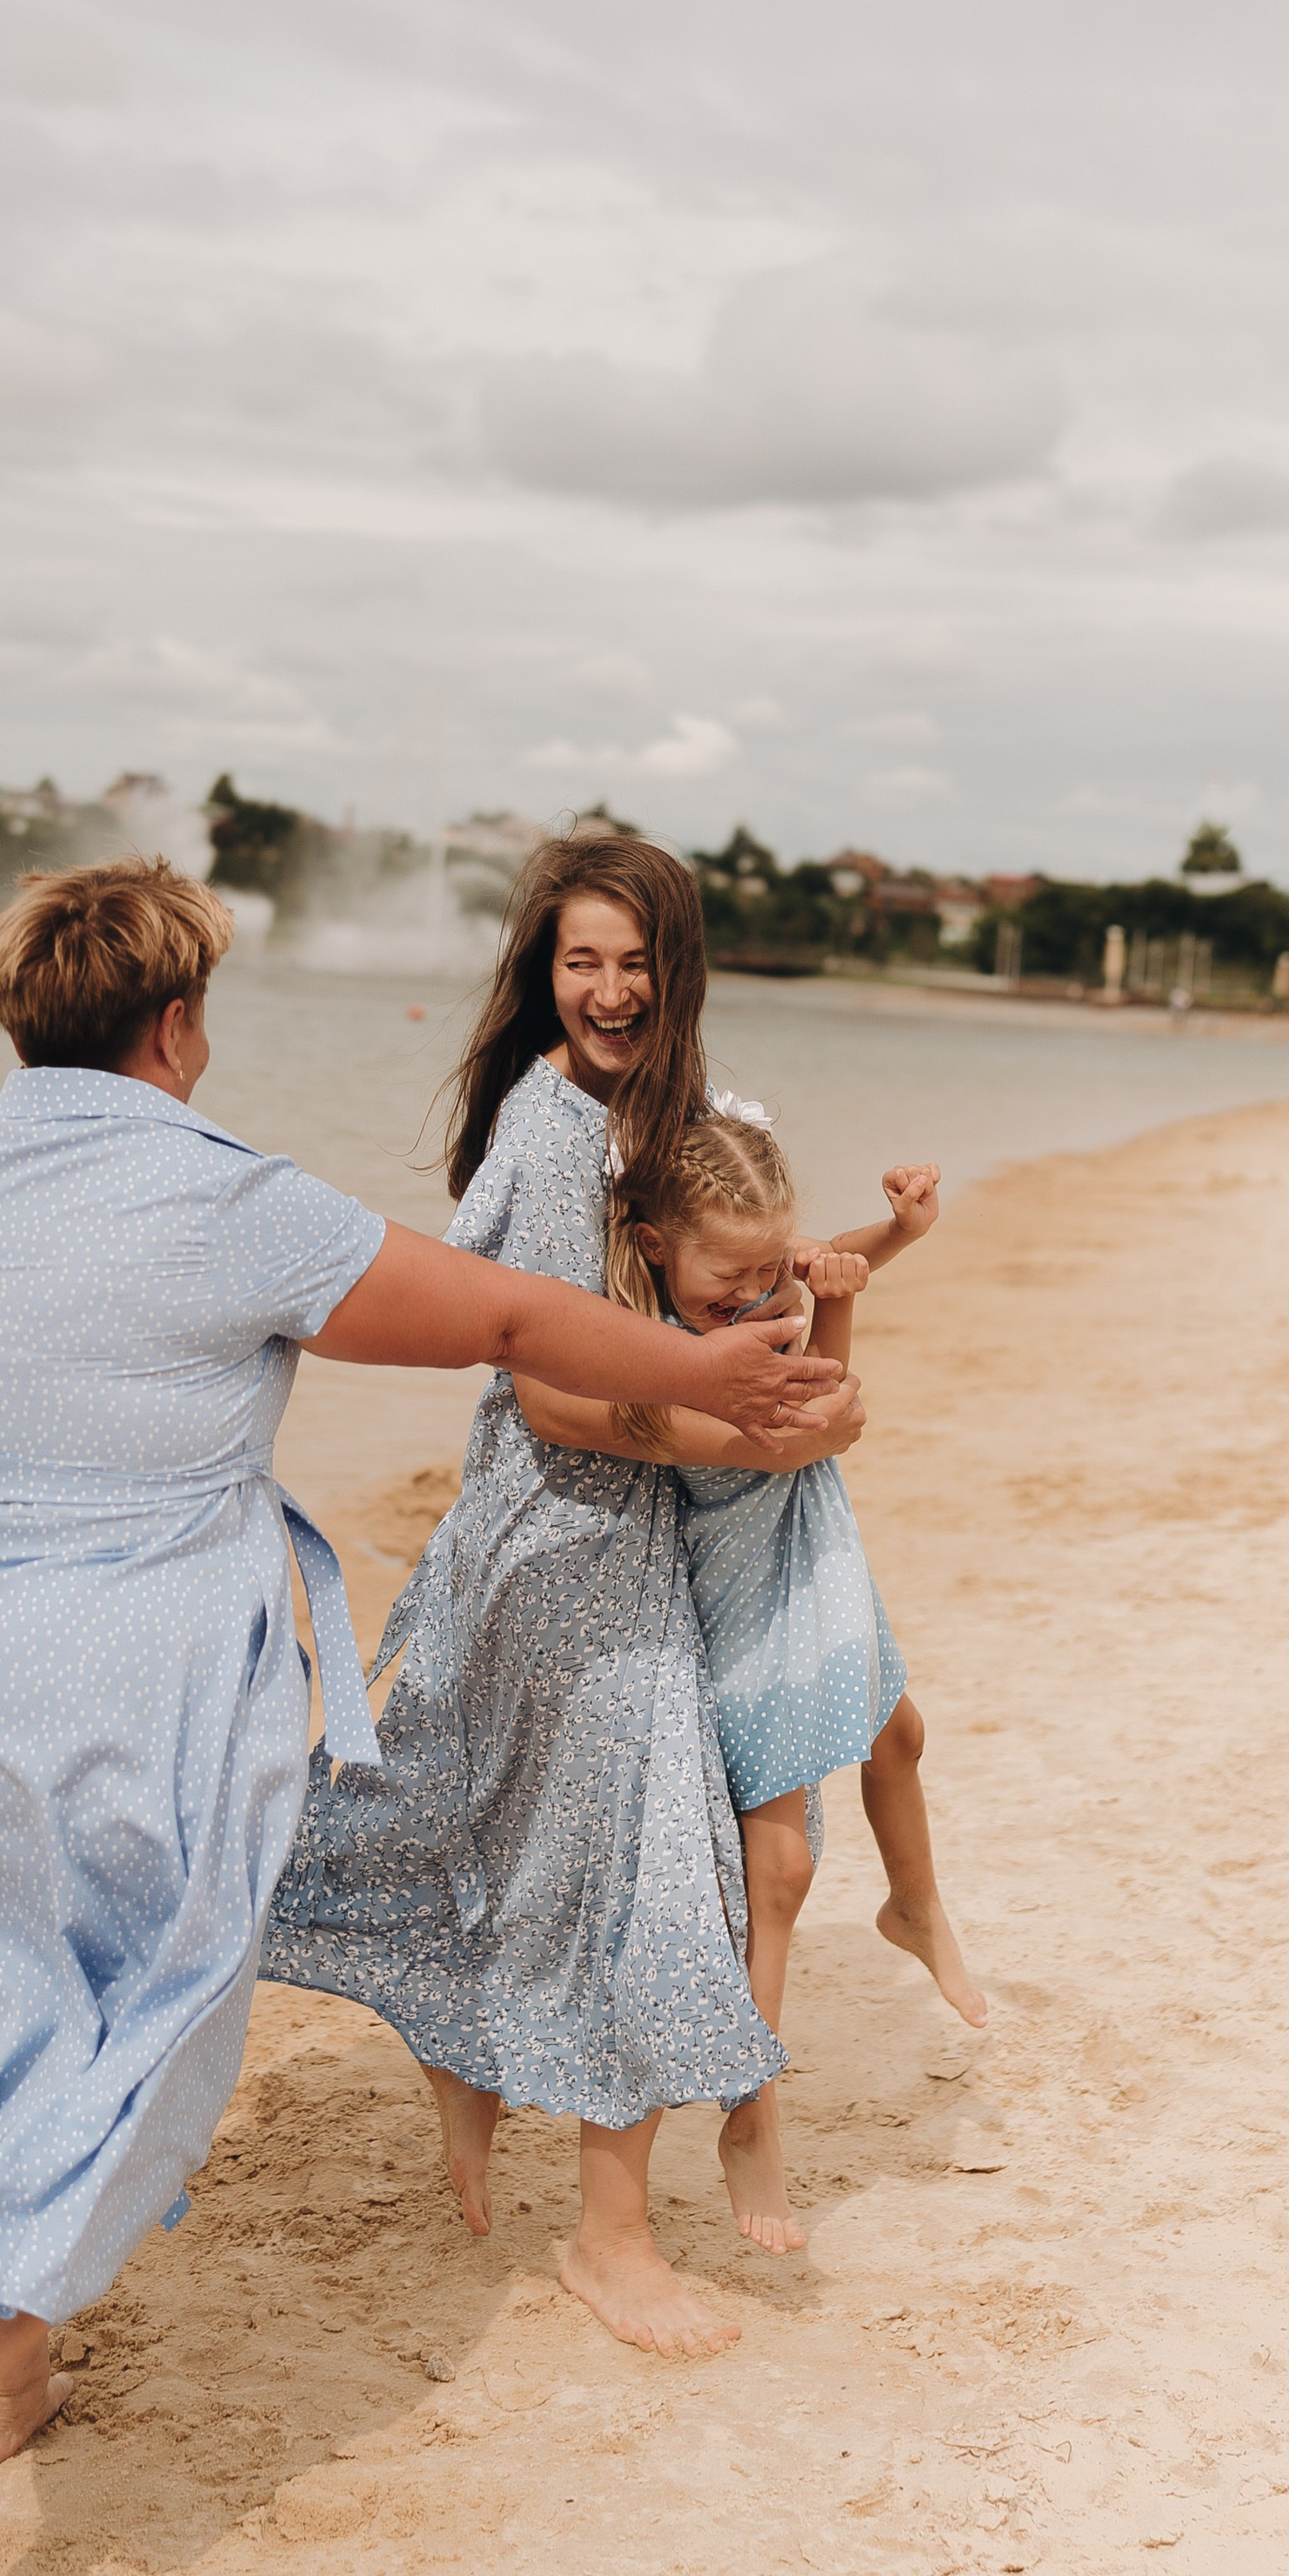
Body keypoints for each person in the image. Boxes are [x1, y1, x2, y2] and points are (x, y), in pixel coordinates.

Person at [0, 858, 837, 2576]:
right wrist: (714, 1373)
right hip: (105, 1690)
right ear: (181, 1022)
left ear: (18, 1015)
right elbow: (501, 1319)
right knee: (140, 2026)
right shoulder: (235, 1206)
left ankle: (3, 2384)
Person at [261, 833, 863, 2357]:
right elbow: (550, 1395)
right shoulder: (547, 1130)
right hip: (563, 1541)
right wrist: (748, 1430)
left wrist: (804, 1375)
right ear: (545, 972)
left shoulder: (657, 1120)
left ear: (677, 968)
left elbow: (718, 1307)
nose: (605, 991)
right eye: (577, 962)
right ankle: (608, 2236)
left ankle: (470, 2060)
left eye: (632, 961)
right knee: (658, 1865)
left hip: (618, 1535)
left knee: (533, 1828)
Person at [515, 1114, 984, 2259]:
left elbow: (821, 1275)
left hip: (813, 1553)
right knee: (780, 1867)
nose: (756, 1295)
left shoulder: (746, 1290)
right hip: (749, 1597)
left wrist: (887, 1237)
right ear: (657, 1246)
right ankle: (751, 2113)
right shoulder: (659, 1341)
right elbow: (810, 1411)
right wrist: (835, 1302)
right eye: (733, 1277)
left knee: (901, 1736)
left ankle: (914, 1905)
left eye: (772, 1272)